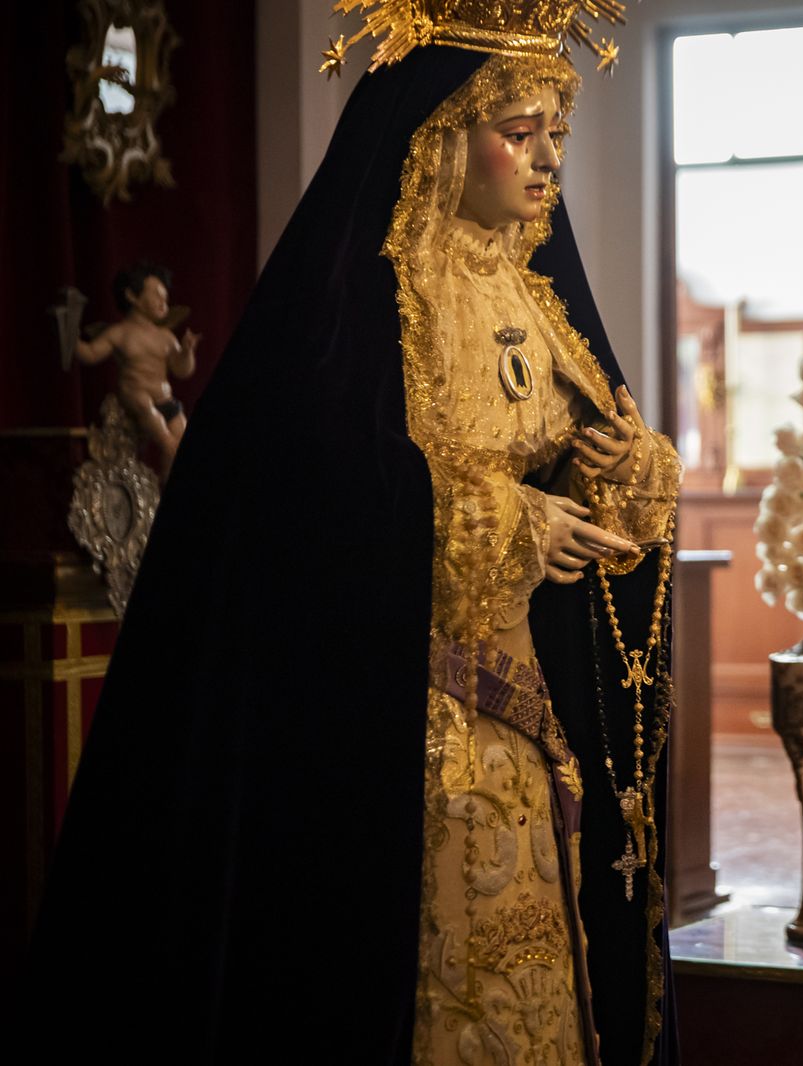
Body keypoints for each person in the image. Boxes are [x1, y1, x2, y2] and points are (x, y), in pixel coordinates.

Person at [25, 4, 680, 1063]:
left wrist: (626, 473)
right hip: (395, 725)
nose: (546, 158)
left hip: (528, 731)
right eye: (518, 130)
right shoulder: (362, 303)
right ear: (438, 134)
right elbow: (315, 492)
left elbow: (599, 457)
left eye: (555, 131)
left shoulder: (537, 296)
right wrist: (507, 518)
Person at [70, 260, 199, 480]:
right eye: (157, 295)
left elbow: (182, 370)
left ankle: (169, 484)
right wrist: (70, 334)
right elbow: (91, 353)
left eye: (165, 297)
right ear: (132, 296)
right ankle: (166, 440)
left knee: (182, 435)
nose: (163, 302)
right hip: (136, 394)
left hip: (165, 399)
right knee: (146, 406)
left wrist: (186, 352)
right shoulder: (121, 333)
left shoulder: (166, 337)